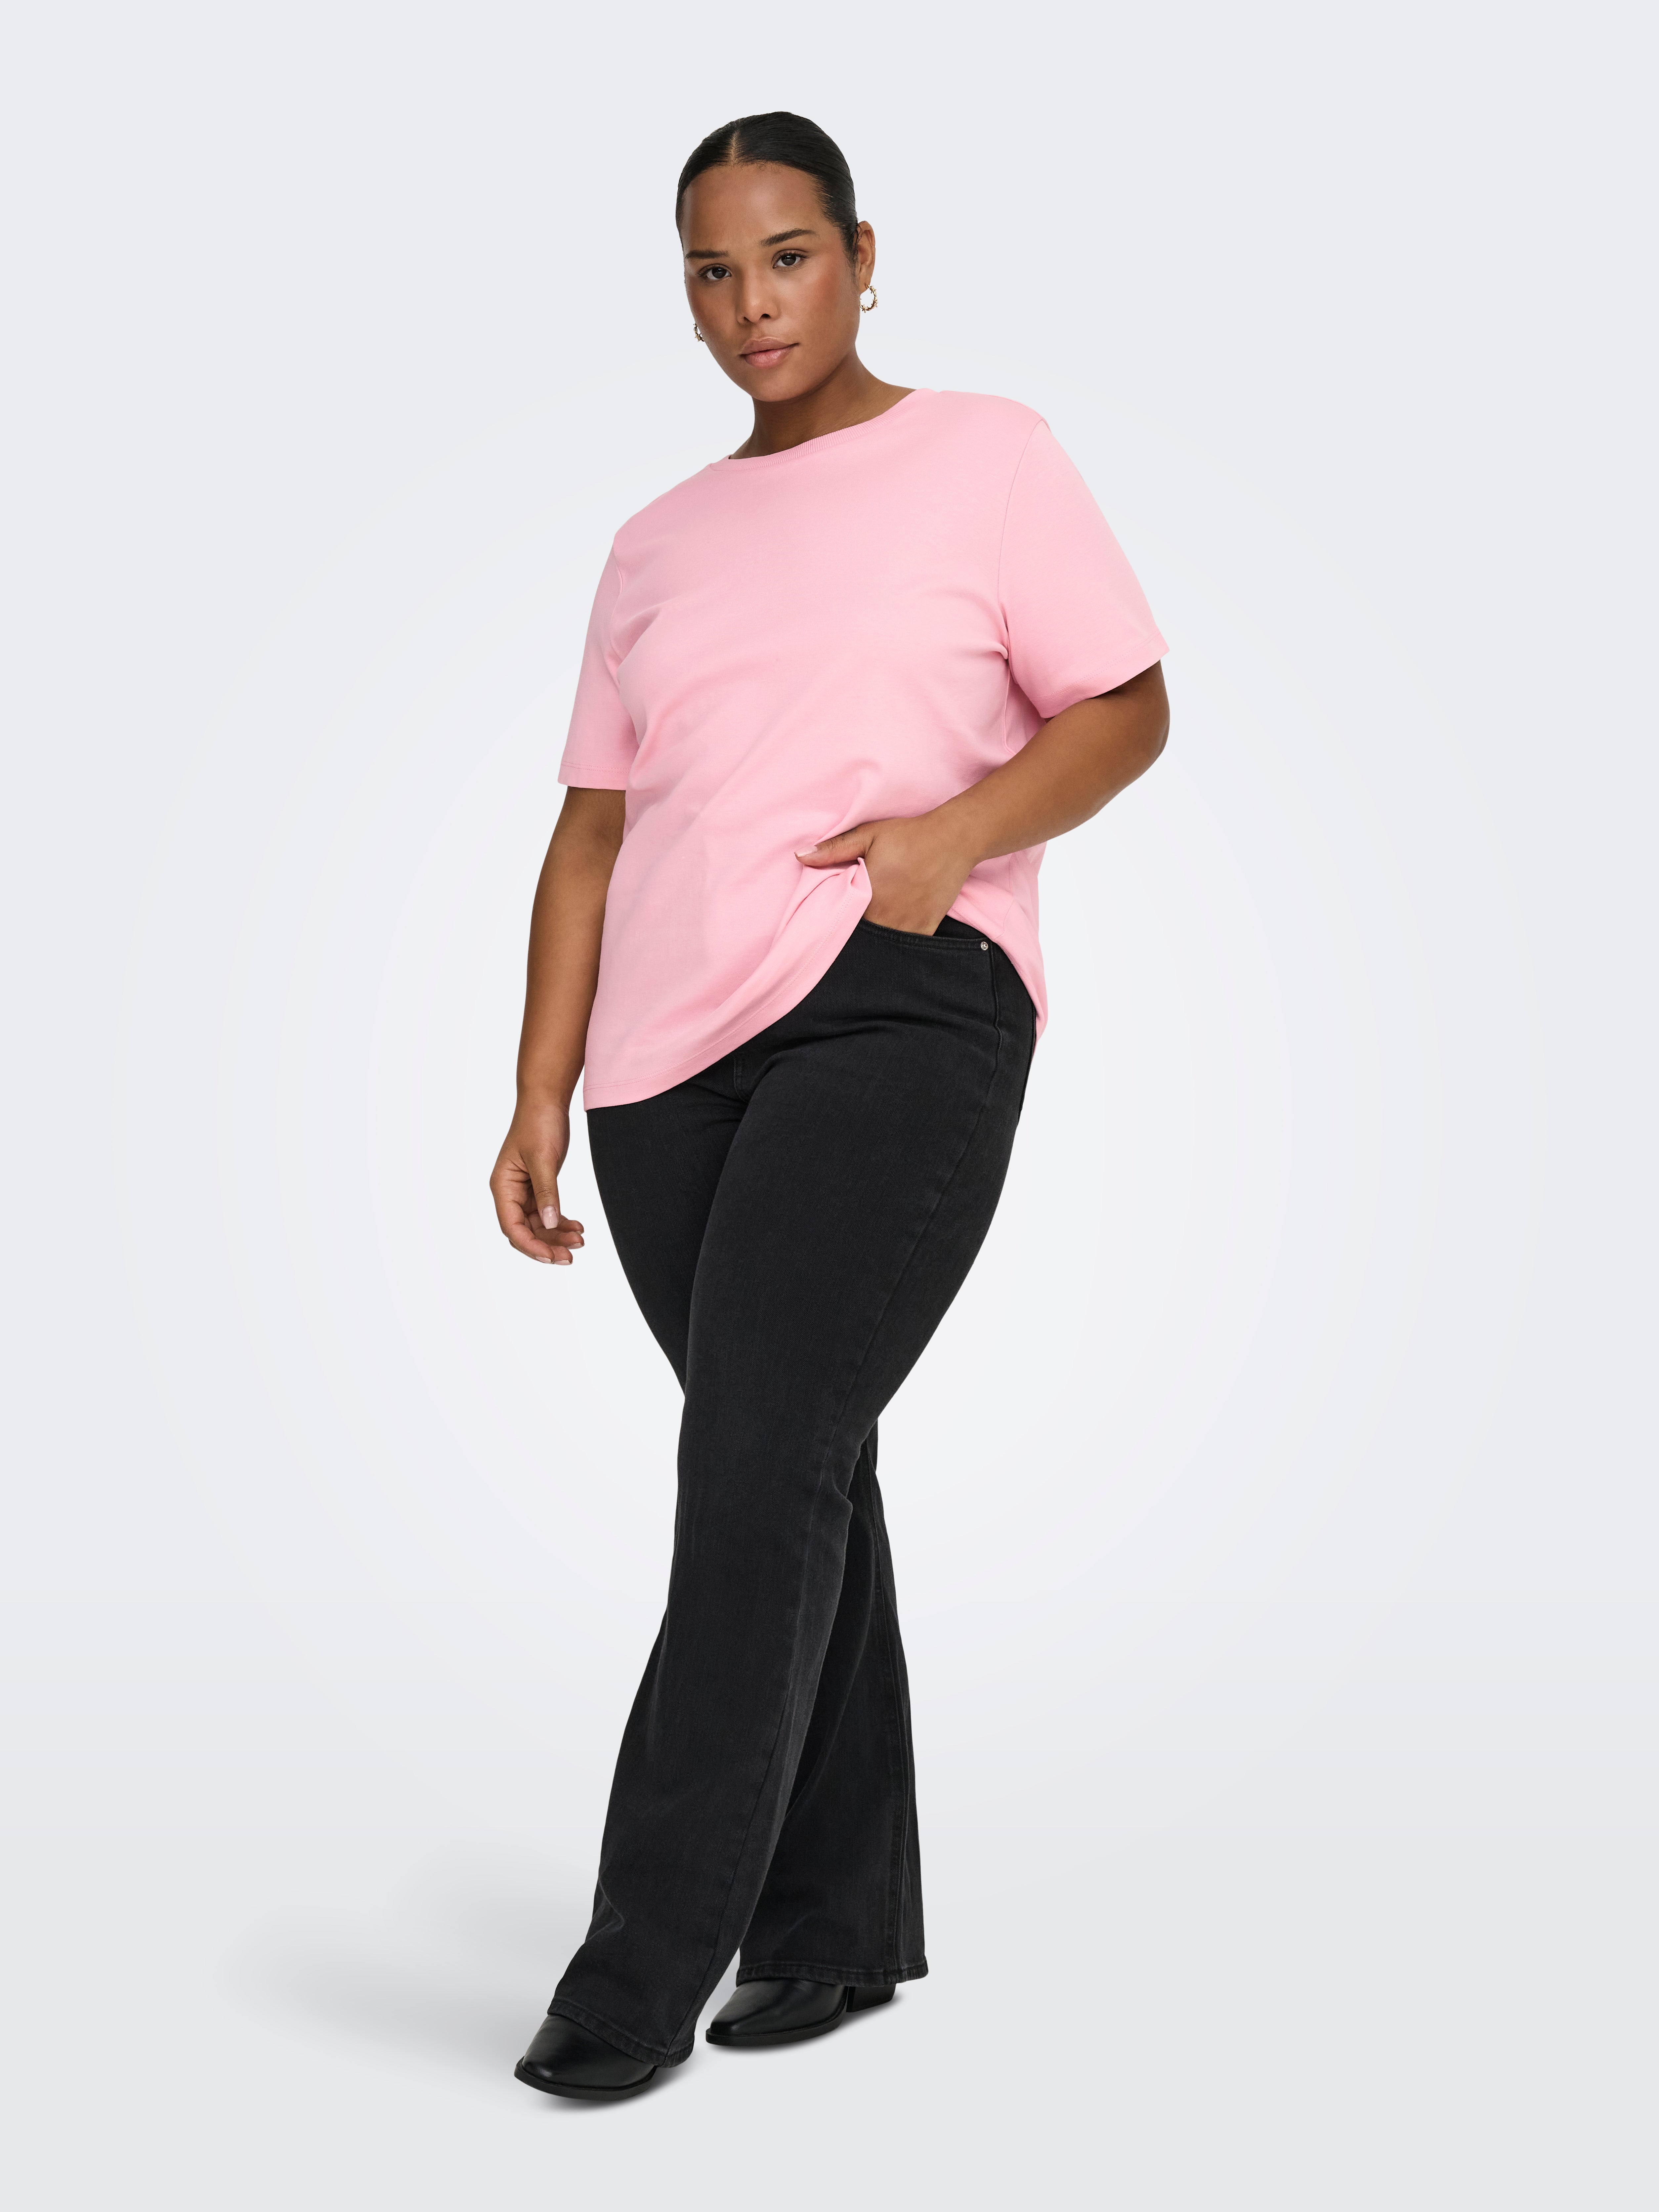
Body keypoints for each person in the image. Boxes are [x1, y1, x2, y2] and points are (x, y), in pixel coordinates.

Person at [490, 111, 1169, 2102]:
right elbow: (591, 836)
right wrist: (539, 1088)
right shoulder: (653, 544)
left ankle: (639, 1969)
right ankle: (835, 1924)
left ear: (863, 257)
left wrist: (949, 841)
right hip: (664, 1069)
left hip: (897, 1001)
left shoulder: (988, 456)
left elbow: (1127, 706)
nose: (751, 306)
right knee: (795, 1463)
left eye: (786, 258)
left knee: (754, 1464)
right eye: (711, 273)